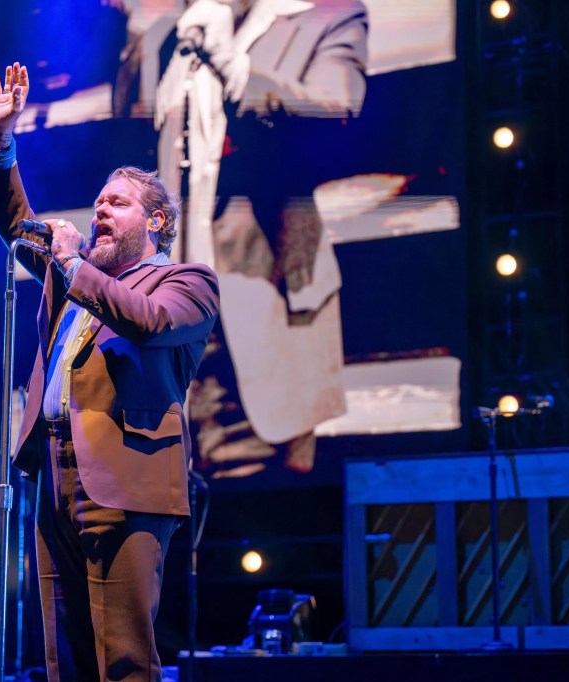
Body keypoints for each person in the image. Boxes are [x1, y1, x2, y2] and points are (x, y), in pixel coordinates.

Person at [0, 62, 221, 682]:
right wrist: (2, 143)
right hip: (54, 473)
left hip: (126, 478)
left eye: (117, 204)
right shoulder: (75, 279)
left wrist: (73, 267)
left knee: (125, 659)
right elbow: (15, 225)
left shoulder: (185, 282)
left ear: (157, 222)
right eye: (97, 204)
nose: (100, 212)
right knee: (66, 658)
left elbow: (148, 323)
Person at [156, 0, 368, 473]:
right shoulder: (185, 33)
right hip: (182, 309)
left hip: (267, 295)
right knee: (183, 510)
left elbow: (337, 111)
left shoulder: (330, 16)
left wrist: (236, 67)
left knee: (267, 503)